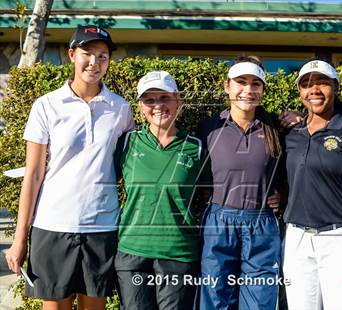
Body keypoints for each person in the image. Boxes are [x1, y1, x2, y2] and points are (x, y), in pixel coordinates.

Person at [6, 26, 134, 309]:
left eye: (102, 56)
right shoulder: (47, 105)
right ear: (72, 55)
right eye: (87, 53)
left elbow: (128, 169)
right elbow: (34, 175)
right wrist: (19, 239)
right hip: (51, 226)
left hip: (101, 227)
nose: (94, 62)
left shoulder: (121, 109)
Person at [282, 59, 342, 310]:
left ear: (335, 87)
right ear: (299, 92)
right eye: (306, 84)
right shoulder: (292, 134)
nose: (313, 90)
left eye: (322, 82)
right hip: (297, 241)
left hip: (340, 240)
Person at [114, 71, 206, 310]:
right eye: (149, 100)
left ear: (178, 100)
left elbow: (220, 189)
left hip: (179, 253)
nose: (158, 106)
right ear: (140, 106)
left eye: (164, 97)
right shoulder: (126, 142)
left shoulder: (196, 147)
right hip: (132, 251)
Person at [199, 56, 283, 310]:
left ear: (263, 90)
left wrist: (283, 194)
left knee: (260, 302)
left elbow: (293, 171)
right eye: (241, 82)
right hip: (219, 222)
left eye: (255, 84)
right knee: (215, 299)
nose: (248, 90)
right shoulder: (208, 127)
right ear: (227, 86)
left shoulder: (276, 127)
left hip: (262, 224)